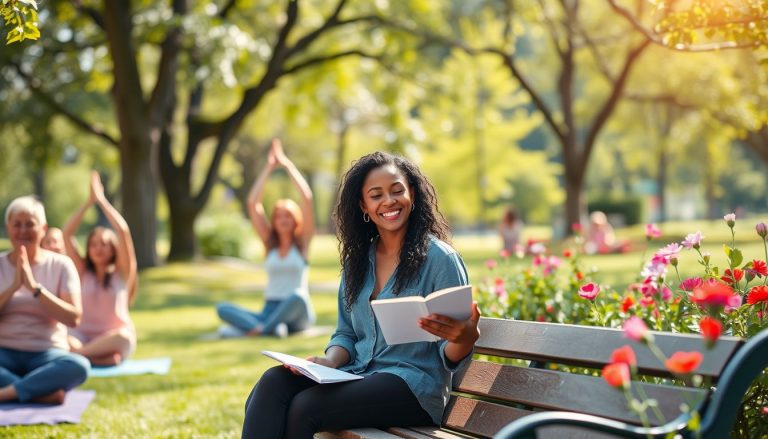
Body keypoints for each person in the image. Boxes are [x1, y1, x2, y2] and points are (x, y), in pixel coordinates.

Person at [241, 151, 481, 438]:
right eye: (376, 195)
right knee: (273, 382)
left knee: (305, 406)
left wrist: (464, 338)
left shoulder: (440, 259)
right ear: (364, 206)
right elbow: (346, 334)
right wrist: (330, 362)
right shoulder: (358, 263)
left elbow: (449, 355)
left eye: (397, 191)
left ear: (412, 194)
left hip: (413, 387)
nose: (388, 201)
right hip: (359, 375)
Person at [216, 138, 315, 338]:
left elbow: (306, 198)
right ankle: (273, 328)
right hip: (270, 309)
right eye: (279, 216)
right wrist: (269, 167)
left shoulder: (302, 243)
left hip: (297, 311)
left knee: (298, 295)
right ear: (274, 221)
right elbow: (253, 203)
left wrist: (286, 165)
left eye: (288, 216)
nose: (283, 220)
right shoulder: (270, 244)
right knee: (222, 308)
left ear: (296, 220)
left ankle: (260, 329)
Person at [0, 196, 90, 404]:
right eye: (17, 225)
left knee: (79, 366)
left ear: (43, 228)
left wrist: (35, 288)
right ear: (8, 228)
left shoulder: (62, 265)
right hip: (4, 351)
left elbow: (74, 318)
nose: (23, 231)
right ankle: (40, 392)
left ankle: (7, 393)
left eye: (30, 224)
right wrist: (13, 287)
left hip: (46, 353)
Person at [63, 171, 138, 366]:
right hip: (81, 336)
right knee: (61, 336)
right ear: (88, 249)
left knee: (124, 338)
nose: (98, 248)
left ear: (113, 249)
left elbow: (123, 231)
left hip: (113, 338)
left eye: (104, 244)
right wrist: (88, 203)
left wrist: (101, 201)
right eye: (94, 244)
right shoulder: (81, 271)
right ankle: (96, 357)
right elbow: (67, 234)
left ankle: (82, 356)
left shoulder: (123, 272)